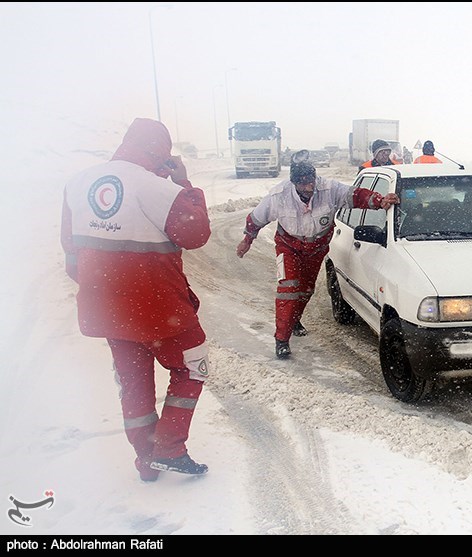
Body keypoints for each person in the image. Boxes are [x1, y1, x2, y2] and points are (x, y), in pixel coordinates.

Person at [60, 118, 212, 482]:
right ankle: (170, 449)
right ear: (161, 152)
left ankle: (146, 458)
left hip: (108, 309)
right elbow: (196, 233)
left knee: (133, 381)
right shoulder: (159, 189)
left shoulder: (77, 184)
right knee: (193, 365)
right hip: (161, 308)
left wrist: (108, 289)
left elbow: (71, 255)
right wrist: (184, 182)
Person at [236, 150, 400, 359]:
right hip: (289, 247)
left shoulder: (329, 189)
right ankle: (282, 339)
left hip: (316, 249)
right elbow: (255, 219)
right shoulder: (278, 197)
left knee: (305, 290)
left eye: (311, 181)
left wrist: (379, 200)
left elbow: (356, 196)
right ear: (294, 183)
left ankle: (294, 319)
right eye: (303, 183)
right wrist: (247, 241)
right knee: (288, 289)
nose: (309, 187)